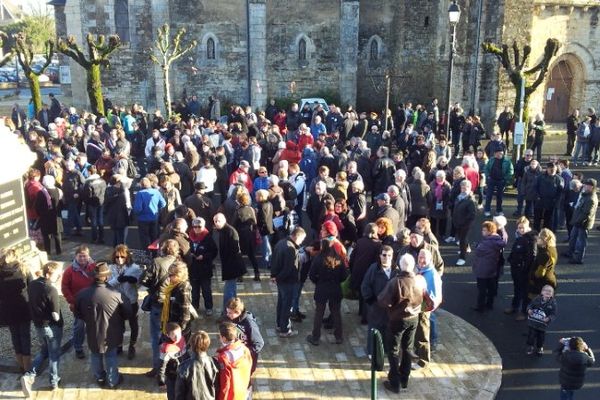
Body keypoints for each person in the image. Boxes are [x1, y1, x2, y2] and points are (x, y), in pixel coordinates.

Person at [75, 262, 132, 388]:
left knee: (95, 354)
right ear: (106, 277)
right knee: (111, 355)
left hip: (92, 331)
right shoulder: (117, 295)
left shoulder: (81, 294)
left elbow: (78, 314)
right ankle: (113, 380)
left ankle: (100, 377)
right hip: (111, 332)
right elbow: (128, 313)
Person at [377, 251, 426, 393]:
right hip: (414, 318)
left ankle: (394, 382)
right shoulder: (419, 280)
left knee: (393, 350)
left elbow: (383, 300)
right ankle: (404, 378)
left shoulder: (396, 282)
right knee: (407, 348)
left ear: (400, 265)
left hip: (398, 319)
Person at [21, 262, 63, 396]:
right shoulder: (51, 289)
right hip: (52, 327)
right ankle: (54, 381)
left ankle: (28, 375)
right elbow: (56, 316)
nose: (59, 275)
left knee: (44, 351)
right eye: (57, 274)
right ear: (49, 274)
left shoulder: (32, 284)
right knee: (54, 355)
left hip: (39, 326)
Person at [140, 239, 180, 377]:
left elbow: (143, 280)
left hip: (159, 304)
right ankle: (172, 366)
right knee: (173, 336)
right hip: (174, 305)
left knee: (157, 337)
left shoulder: (157, 262)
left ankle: (158, 368)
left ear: (163, 249)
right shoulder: (180, 264)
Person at [306, 239, 348, 346]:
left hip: (322, 288)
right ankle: (338, 336)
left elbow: (311, 275)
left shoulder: (318, 258)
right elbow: (344, 275)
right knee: (336, 312)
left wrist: (318, 282)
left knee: (319, 312)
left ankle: (315, 337)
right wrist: (337, 281)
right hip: (335, 288)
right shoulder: (338, 258)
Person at [360, 245, 399, 356]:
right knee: (374, 329)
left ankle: (386, 350)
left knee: (389, 329)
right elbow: (365, 286)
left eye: (389, 255)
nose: (386, 258)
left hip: (391, 309)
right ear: (380, 256)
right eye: (384, 255)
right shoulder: (373, 269)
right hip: (376, 308)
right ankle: (372, 352)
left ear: (392, 257)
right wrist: (372, 301)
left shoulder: (396, 271)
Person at [0, 249, 33, 374]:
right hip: (23, 307)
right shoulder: (24, 269)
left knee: (15, 335)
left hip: (7, 309)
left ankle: (21, 364)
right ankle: (27, 367)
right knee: (25, 336)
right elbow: (32, 288)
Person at [270, 227, 306, 338]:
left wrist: (274, 276)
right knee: (287, 305)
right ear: (297, 236)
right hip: (288, 281)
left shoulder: (280, 243)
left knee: (281, 302)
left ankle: (279, 324)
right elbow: (289, 268)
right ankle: (285, 329)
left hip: (280, 280)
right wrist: (278, 278)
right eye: (301, 239)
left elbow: (274, 260)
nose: (301, 242)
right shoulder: (291, 249)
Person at [108, 245, 142, 359]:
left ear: (127, 256)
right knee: (118, 326)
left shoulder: (134, 268)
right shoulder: (110, 268)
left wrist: (134, 281)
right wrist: (118, 279)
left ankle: (132, 346)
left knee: (133, 325)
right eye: (117, 257)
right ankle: (119, 345)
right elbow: (107, 285)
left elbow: (140, 284)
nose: (120, 259)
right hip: (116, 302)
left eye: (122, 256)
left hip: (131, 301)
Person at [61, 245, 95, 360]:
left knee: (93, 325)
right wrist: (72, 301)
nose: (82, 259)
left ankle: (94, 345)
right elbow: (64, 287)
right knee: (79, 326)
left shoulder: (94, 267)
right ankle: (78, 348)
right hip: (78, 304)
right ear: (75, 256)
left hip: (92, 302)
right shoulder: (69, 271)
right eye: (80, 256)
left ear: (88, 256)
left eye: (84, 256)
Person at [505, 217, 537, 320]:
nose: (520, 230)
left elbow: (532, 257)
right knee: (517, 289)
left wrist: (525, 269)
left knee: (525, 292)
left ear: (528, 227)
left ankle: (524, 312)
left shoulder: (532, 240)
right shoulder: (520, 237)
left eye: (523, 228)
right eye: (519, 228)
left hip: (524, 271)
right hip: (516, 268)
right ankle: (515, 307)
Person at [213, 213, 247, 310]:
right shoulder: (223, 231)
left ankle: (227, 311)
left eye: (218, 221)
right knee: (231, 290)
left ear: (224, 220)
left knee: (229, 291)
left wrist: (229, 263)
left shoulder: (230, 231)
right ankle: (233, 308)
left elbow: (236, 250)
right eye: (215, 221)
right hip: (229, 265)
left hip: (232, 265)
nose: (216, 223)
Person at [471, 221, 507, 312]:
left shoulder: (486, 243)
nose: (482, 232)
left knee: (482, 289)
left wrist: (477, 246)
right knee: (491, 287)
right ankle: (489, 304)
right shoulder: (498, 240)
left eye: (484, 230)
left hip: (482, 269)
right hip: (492, 268)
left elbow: (478, 251)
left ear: (489, 231)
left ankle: (480, 307)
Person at [224, 297, 264, 375]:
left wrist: (246, 352)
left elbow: (259, 343)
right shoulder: (231, 318)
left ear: (238, 312)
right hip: (236, 354)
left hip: (247, 358)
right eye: (227, 312)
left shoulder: (250, 324)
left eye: (230, 313)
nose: (227, 315)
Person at [175, 330, 218, 400]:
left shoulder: (184, 367)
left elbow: (180, 394)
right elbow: (217, 388)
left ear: (191, 345)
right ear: (208, 344)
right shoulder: (214, 363)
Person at [214, 322, 253, 400]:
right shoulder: (244, 349)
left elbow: (225, 382)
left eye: (220, 336)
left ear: (224, 338)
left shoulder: (224, 358)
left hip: (232, 395)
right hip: (244, 390)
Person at [189, 217, 218, 316]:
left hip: (205, 268)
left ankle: (209, 307)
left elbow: (214, 251)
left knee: (206, 290)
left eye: (199, 227)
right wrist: (190, 255)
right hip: (193, 269)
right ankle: (195, 306)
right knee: (194, 291)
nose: (196, 229)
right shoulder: (189, 237)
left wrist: (204, 256)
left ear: (203, 226)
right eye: (194, 227)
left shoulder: (208, 237)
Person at [564, 178, 598, 264]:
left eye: (587, 185)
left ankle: (578, 259)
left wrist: (576, 221)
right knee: (573, 237)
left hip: (583, 223)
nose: (585, 186)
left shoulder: (591, 199)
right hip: (578, 221)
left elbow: (586, 213)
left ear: (592, 187)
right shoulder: (586, 194)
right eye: (585, 184)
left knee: (581, 242)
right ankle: (570, 252)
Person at [232, 192, 260, 281]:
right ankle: (257, 274)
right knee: (252, 255)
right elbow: (255, 223)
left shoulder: (238, 211)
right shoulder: (251, 209)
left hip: (240, 235)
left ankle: (240, 276)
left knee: (239, 255)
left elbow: (233, 224)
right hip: (250, 235)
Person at [161, 261, 192, 338]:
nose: (169, 277)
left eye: (171, 275)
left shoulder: (183, 289)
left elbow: (186, 314)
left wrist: (179, 331)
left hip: (177, 331)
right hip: (172, 325)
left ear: (179, 275)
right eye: (169, 274)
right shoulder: (173, 285)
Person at [158, 322, 188, 400]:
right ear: (168, 335)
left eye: (179, 333)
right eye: (174, 335)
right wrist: (161, 381)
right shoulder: (166, 348)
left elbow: (185, 354)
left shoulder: (182, 339)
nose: (177, 337)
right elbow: (162, 366)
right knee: (172, 395)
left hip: (183, 374)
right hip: (172, 376)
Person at [526, 285, 557, 356]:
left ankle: (539, 347)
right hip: (533, 322)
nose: (547, 292)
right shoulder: (537, 299)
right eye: (545, 290)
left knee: (541, 338)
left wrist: (549, 318)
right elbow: (530, 305)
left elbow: (553, 314)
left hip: (542, 325)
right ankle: (530, 346)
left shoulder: (553, 303)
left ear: (552, 294)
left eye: (550, 291)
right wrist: (529, 310)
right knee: (531, 336)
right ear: (541, 292)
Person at [528, 228, 558, 300]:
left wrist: (532, 276)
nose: (538, 239)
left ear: (545, 240)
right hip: (551, 279)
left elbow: (540, 273)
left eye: (539, 238)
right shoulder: (553, 249)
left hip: (542, 283)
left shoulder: (545, 254)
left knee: (537, 302)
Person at [533, 162, 564, 232]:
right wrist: (537, 196)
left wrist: (556, 202)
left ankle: (546, 233)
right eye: (550, 169)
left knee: (549, 220)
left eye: (554, 169)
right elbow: (535, 187)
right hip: (540, 201)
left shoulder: (559, 179)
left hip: (551, 202)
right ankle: (535, 233)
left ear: (556, 169)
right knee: (537, 218)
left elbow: (560, 192)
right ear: (547, 169)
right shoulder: (540, 177)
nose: (552, 171)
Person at [453, 180, 477, 266]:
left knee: (462, 240)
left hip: (465, 224)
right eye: (462, 187)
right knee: (461, 237)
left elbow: (472, 215)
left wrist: (465, 223)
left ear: (470, 188)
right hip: (458, 222)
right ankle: (467, 247)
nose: (463, 189)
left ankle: (462, 257)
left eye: (465, 188)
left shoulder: (470, 200)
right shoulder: (459, 197)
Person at [483, 148, 513, 217]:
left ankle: (499, 210)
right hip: (491, 180)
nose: (499, 155)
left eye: (501, 153)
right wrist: (488, 176)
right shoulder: (491, 160)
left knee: (499, 196)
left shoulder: (507, 161)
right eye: (498, 153)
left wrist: (505, 179)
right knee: (489, 195)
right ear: (495, 154)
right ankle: (487, 210)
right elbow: (486, 168)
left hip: (501, 181)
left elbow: (510, 171)